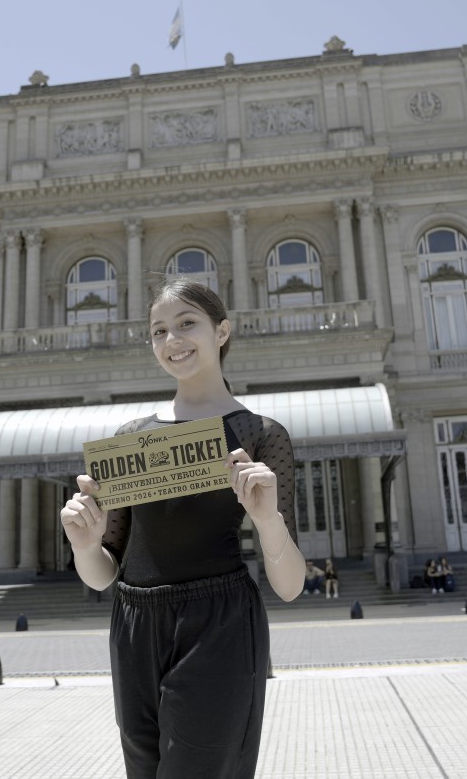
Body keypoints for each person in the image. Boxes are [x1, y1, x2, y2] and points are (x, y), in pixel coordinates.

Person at [60, 280, 303, 778]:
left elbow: (290, 586)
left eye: (187, 323)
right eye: (159, 330)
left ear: (222, 332)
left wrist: (267, 519)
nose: (172, 339)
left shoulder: (259, 434)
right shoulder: (131, 440)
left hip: (219, 623)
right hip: (134, 623)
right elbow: (104, 572)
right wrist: (85, 544)